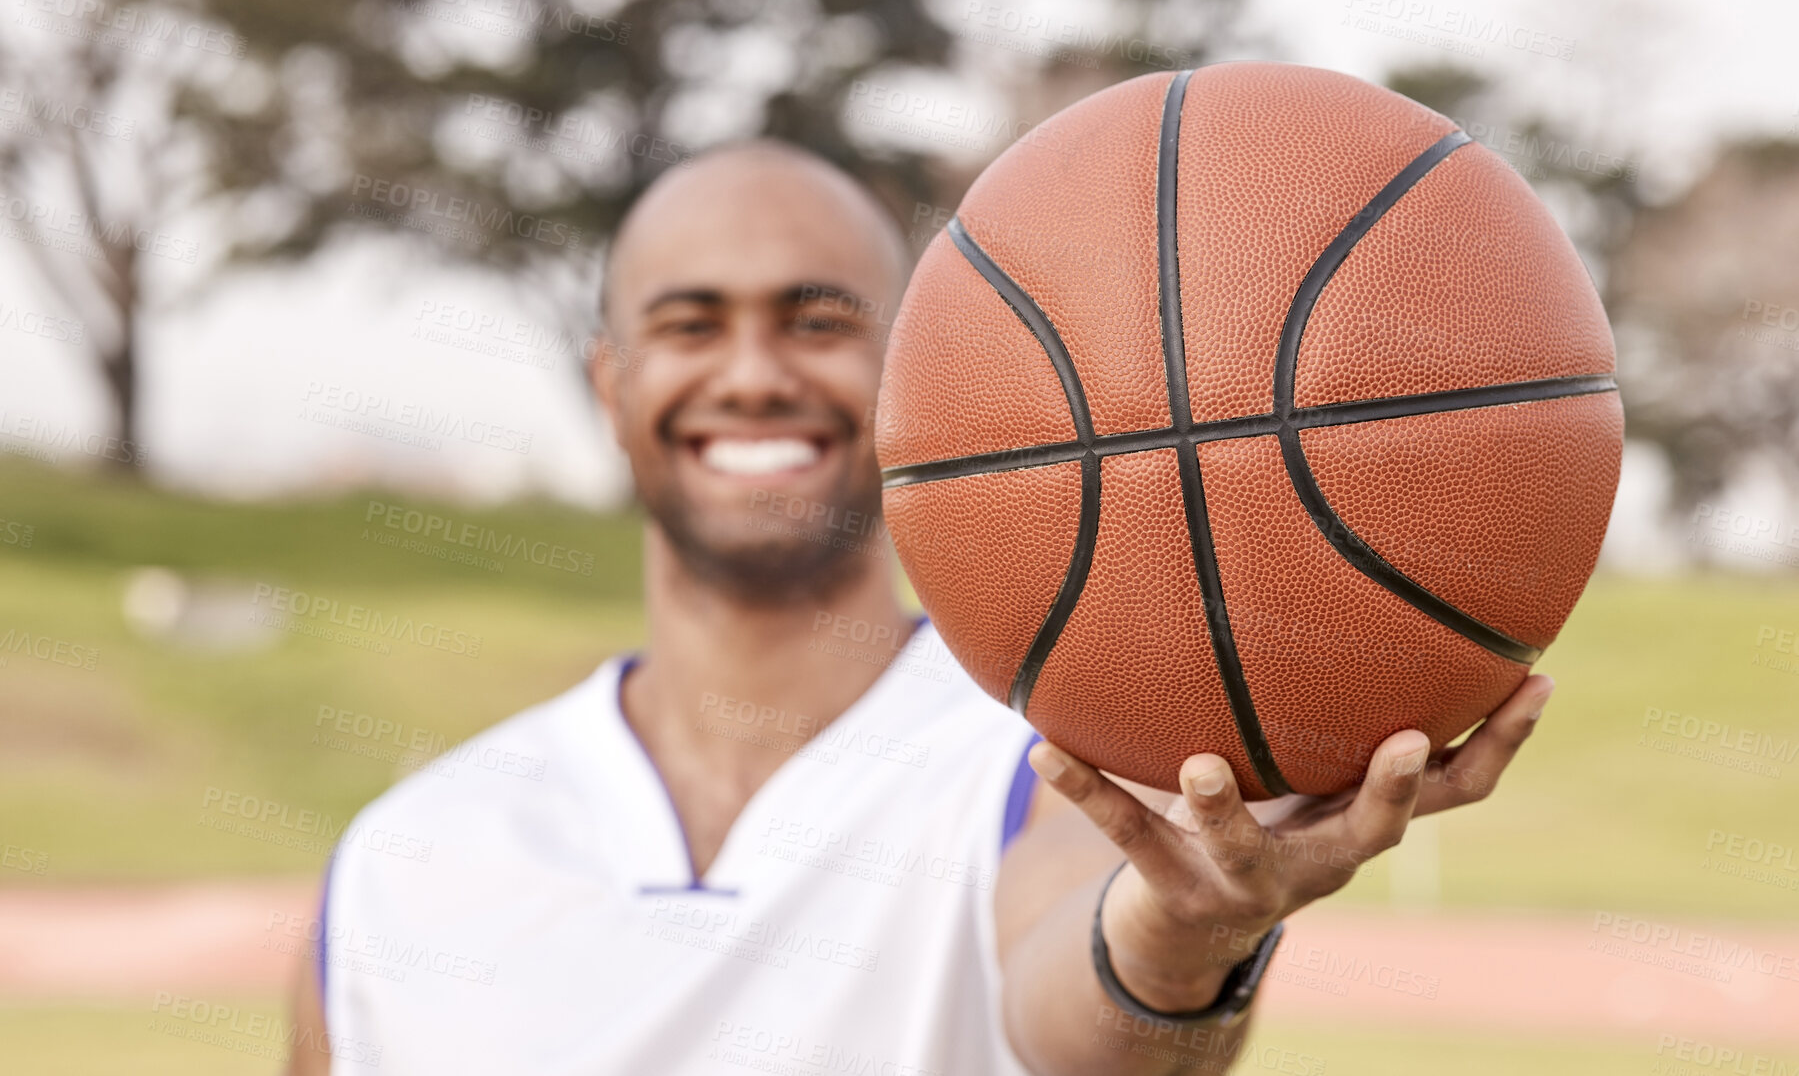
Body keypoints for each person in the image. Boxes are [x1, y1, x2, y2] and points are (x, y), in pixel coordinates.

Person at [286, 140, 1552, 1075]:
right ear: (609, 384)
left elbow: (1082, 1009)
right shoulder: (407, 858)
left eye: (817, 319)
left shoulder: (1049, 758)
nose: (753, 373)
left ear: (917, 376)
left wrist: (1179, 932)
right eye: (689, 324)